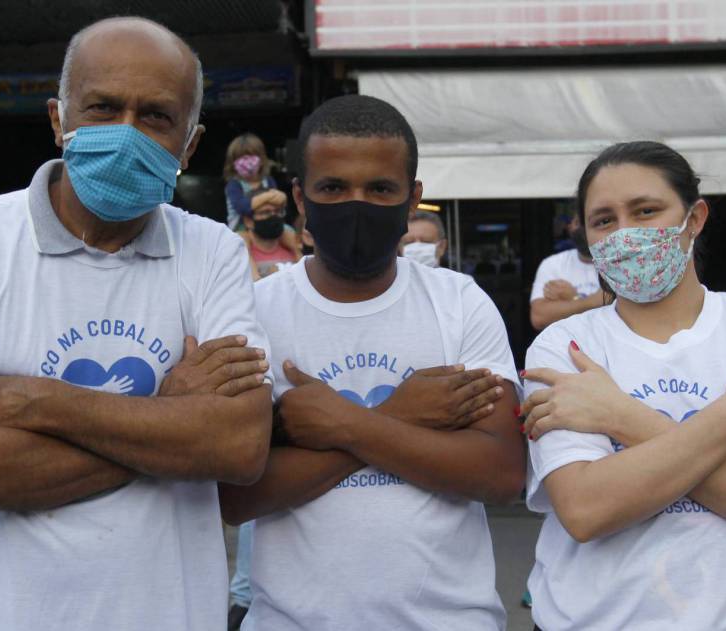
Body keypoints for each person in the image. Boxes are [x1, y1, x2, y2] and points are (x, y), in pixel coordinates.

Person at [0, 17, 272, 631]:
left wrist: (39, 401)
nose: (126, 133)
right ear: (59, 120)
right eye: (103, 107)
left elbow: (240, 447)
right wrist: (169, 417)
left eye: (155, 116)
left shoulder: (214, 251)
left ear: (189, 147)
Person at [218, 95, 525, 631]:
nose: (355, 205)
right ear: (300, 199)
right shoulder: (254, 313)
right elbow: (235, 495)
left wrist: (339, 424)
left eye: (380, 189)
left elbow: (500, 473)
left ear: (413, 200)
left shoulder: (459, 302)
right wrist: (404, 415)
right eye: (333, 188)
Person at [518, 141, 726, 631]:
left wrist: (619, 416)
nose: (626, 233)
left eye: (646, 211)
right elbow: (587, 510)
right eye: (604, 220)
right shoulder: (563, 345)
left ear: (694, 219)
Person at [528, 215, 603, 330]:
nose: (584, 229)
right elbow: (539, 317)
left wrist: (571, 302)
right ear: (569, 227)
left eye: (592, 222)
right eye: (578, 223)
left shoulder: (619, 263)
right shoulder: (553, 264)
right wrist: (590, 301)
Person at [240, 187, 300, 280]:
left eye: (278, 211)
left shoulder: (295, 247)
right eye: (266, 212)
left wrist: (297, 249)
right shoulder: (241, 254)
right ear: (248, 221)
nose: (274, 216)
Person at [224, 133, 277, 230]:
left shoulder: (269, 181)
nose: (246, 161)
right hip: (240, 228)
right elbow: (243, 207)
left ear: (261, 160)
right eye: (241, 157)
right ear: (233, 163)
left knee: (288, 231)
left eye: (251, 155)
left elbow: (278, 203)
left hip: (268, 225)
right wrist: (268, 197)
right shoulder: (234, 185)